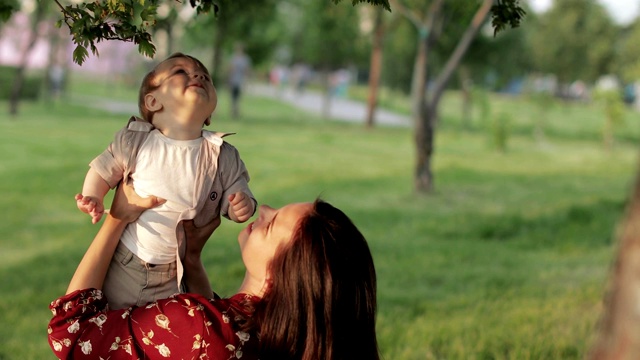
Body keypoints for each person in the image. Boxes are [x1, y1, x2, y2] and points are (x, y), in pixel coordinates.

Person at [48, 181, 380, 359]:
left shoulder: (202, 328)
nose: (262, 209)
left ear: (284, 274)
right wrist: (191, 260)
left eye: (272, 222)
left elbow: (71, 335)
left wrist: (117, 218)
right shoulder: (290, 340)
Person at [74, 52, 256, 309]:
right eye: (181, 72)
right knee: (111, 324)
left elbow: (237, 189)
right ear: (153, 101)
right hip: (127, 259)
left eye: (206, 76)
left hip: (175, 273)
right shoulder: (135, 141)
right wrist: (92, 195)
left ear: (209, 114)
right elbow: (103, 168)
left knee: (163, 334)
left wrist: (241, 205)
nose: (199, 76)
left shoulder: (222, 154)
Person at [228, 43, 251, 119]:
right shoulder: (233, 58)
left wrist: (246, 80)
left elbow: (246, 70)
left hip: (240, 80)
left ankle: (236, 110)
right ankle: (233, 110)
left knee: (238, 96)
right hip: (233, 80)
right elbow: (231, 69)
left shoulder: (245, 59)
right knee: (233, 96)